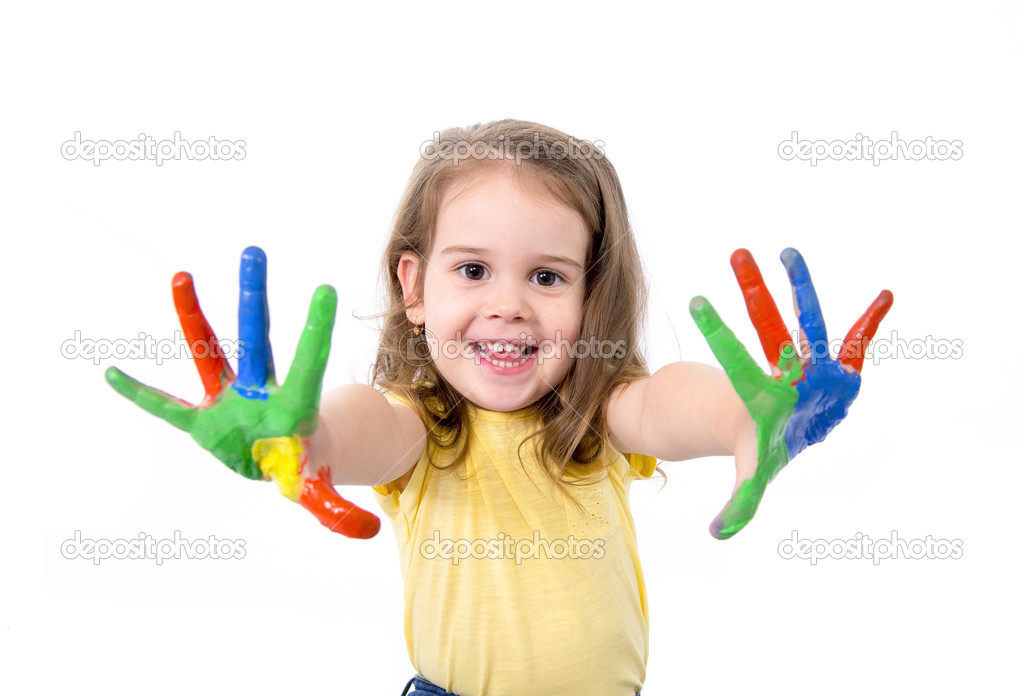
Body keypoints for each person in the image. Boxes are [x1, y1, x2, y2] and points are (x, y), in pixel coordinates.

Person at [106, 119, 892, 696]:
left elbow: (668, 404)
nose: (509, 305)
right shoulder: (417, 423)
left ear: (591, 296)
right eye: (474, 269)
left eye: (547, 277)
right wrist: (304, 436)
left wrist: (743, 417)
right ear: (415, 288)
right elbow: (360, 427)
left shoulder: (602, 414)